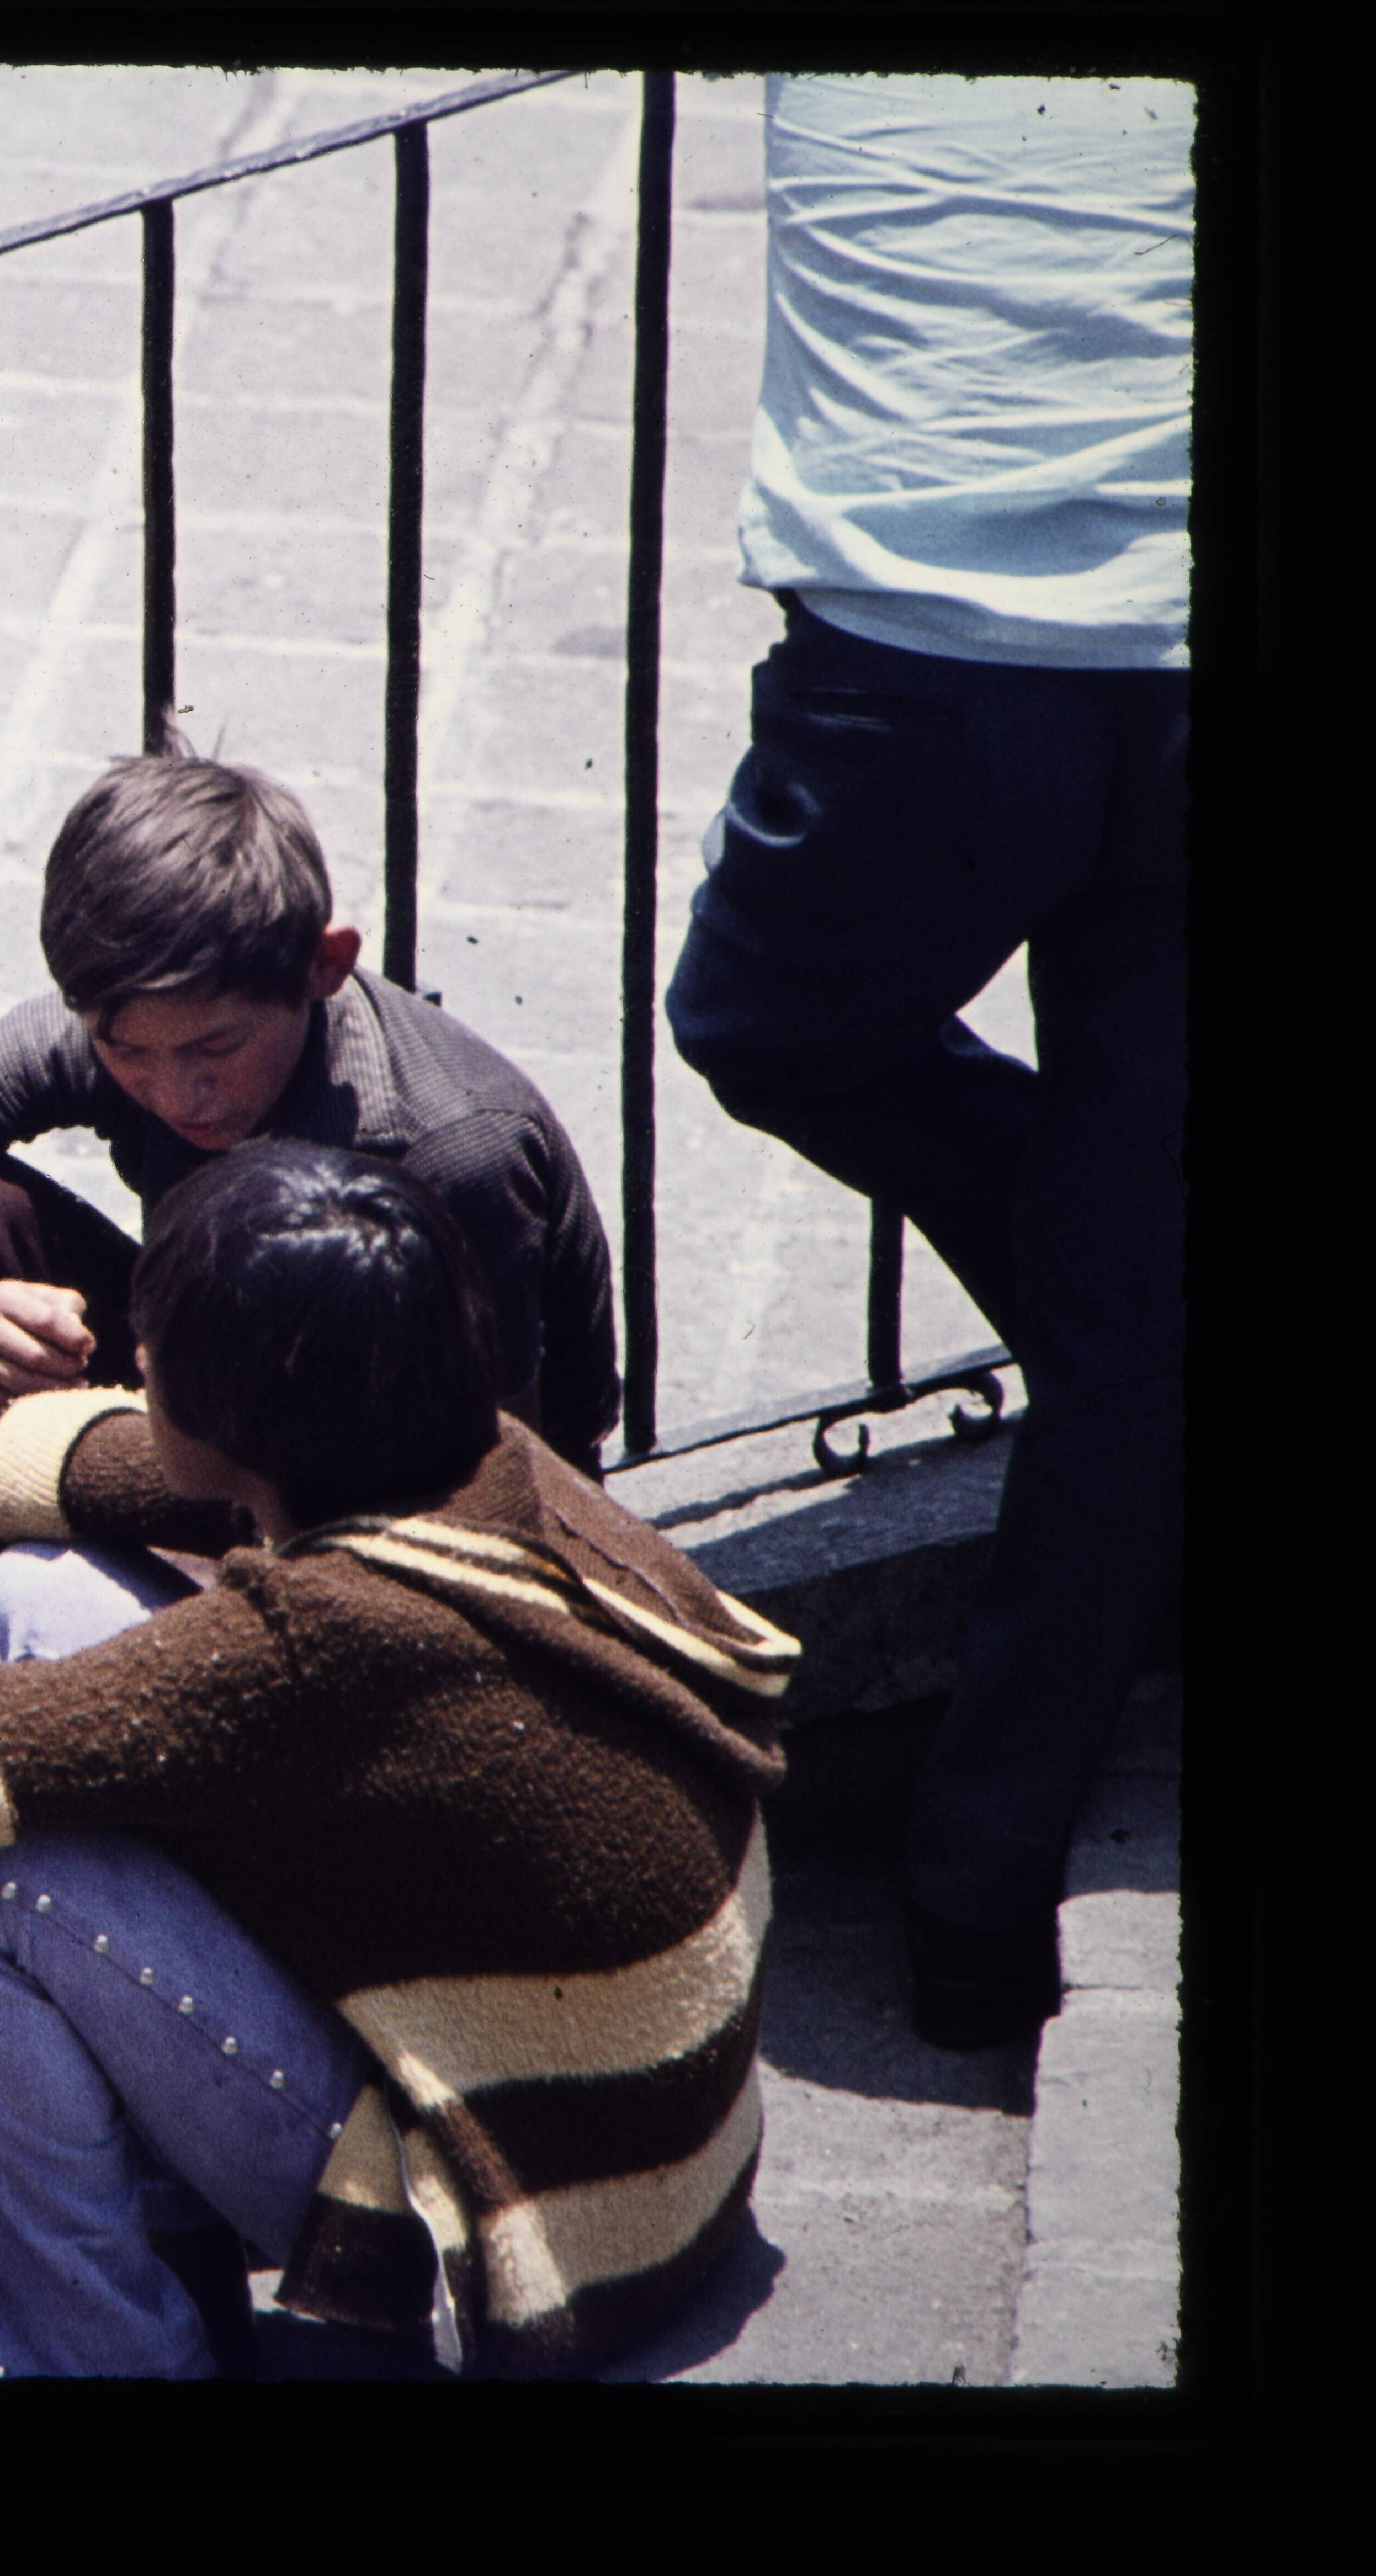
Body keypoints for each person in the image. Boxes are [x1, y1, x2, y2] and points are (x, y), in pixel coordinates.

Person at [0, 1144, 793, 2379]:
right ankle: (155, 2260)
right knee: (29, 1595)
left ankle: (56, 2363)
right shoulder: (457, 1451)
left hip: (543, 2234)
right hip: (650, 2148)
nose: (137, 1364)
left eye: (155, 1352)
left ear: (229, 1421)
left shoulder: (316, 1645)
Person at [665, 75, 1188, 2051]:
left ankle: (1139, 1299)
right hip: (1173, 641)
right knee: (1127, 1304)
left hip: (926, 650)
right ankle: (974, 1901)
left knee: (765, 1017)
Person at [0, 741, 619, 1578]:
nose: (177, 1092)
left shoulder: (451, 1148)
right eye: (128, 1054)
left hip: (387, 1488)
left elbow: (502, 1487)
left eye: (215, 1050)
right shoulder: (128, 1023)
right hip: (214, 1402)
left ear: (324, 965)